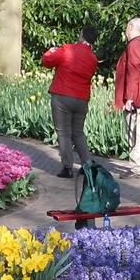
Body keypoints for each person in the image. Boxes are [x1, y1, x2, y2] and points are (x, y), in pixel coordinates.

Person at [43, 25, 99, 178]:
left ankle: (67, 167)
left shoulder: (67, 50)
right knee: (78, 133)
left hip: (62, 96)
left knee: (64, 133)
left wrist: (51, 51)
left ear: (81, 35)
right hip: (82, 99)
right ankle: (87, 165)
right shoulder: (93, 58)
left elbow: (47, 61)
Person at [114, 17, 140, 177]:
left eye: (127, 27)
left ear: (131, 27)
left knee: (135, 131)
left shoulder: (133, 45)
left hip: (136, 97)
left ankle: (137, 167)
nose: (125, 30)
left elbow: (133, 73)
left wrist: (129, 98)